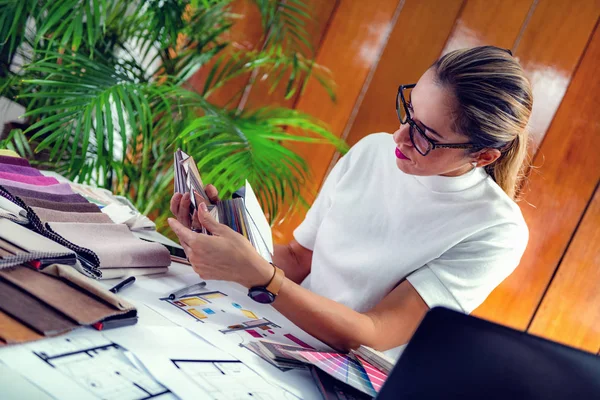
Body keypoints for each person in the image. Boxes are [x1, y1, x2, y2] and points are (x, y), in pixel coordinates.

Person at [168, 46, 532, 360]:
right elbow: (298, 258)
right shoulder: (374, 150)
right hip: (274, 333)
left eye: (426, 135)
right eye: (409, 111)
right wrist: (219, 235)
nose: (399, 136)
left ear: (483, 156)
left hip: (343, 374)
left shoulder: (496, 229)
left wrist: (260, 277)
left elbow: (373, 334)